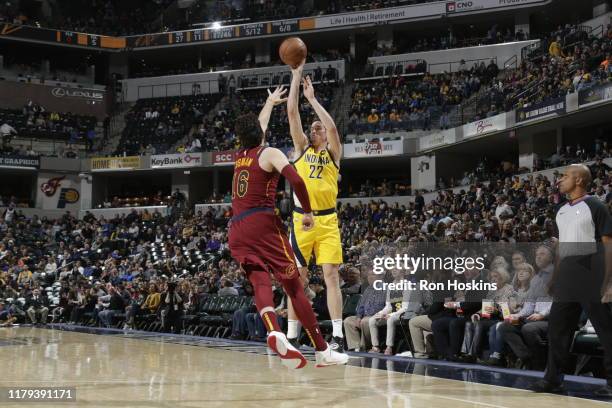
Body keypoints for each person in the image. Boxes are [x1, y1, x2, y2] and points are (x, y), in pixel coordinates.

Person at [227, 86, 348, 369]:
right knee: (294, 285)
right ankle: (321, 349)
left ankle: (274, 330)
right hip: (266, 222)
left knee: (260, 281)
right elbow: (296, 180)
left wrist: (269, 103)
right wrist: (306, 210)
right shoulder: (270, 152)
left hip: (236, 228)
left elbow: (260, 127)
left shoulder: (240, 156)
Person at [531, 165, 612, 397]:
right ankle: (553, 380)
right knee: (558, 329)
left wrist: (609, 281)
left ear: (578, 179)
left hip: (591, 272)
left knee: (606, 330)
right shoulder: (561, 210)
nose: (559, 180)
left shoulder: (595, 205)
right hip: (567, 275)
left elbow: (608, 244)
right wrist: (555, 279)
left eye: (565, 176)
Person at [286, 60, 345, 352]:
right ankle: (293, 334)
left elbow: (333, 128)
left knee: (331, 275)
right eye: (312, 127)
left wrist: (314, 101)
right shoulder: (300, 150)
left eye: (317, 127)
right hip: (301, 220)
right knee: (297, 277)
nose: (315, 128)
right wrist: (296, 76)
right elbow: (292, 112)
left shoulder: (333, 153)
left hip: (328, 221)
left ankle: (338, 335)